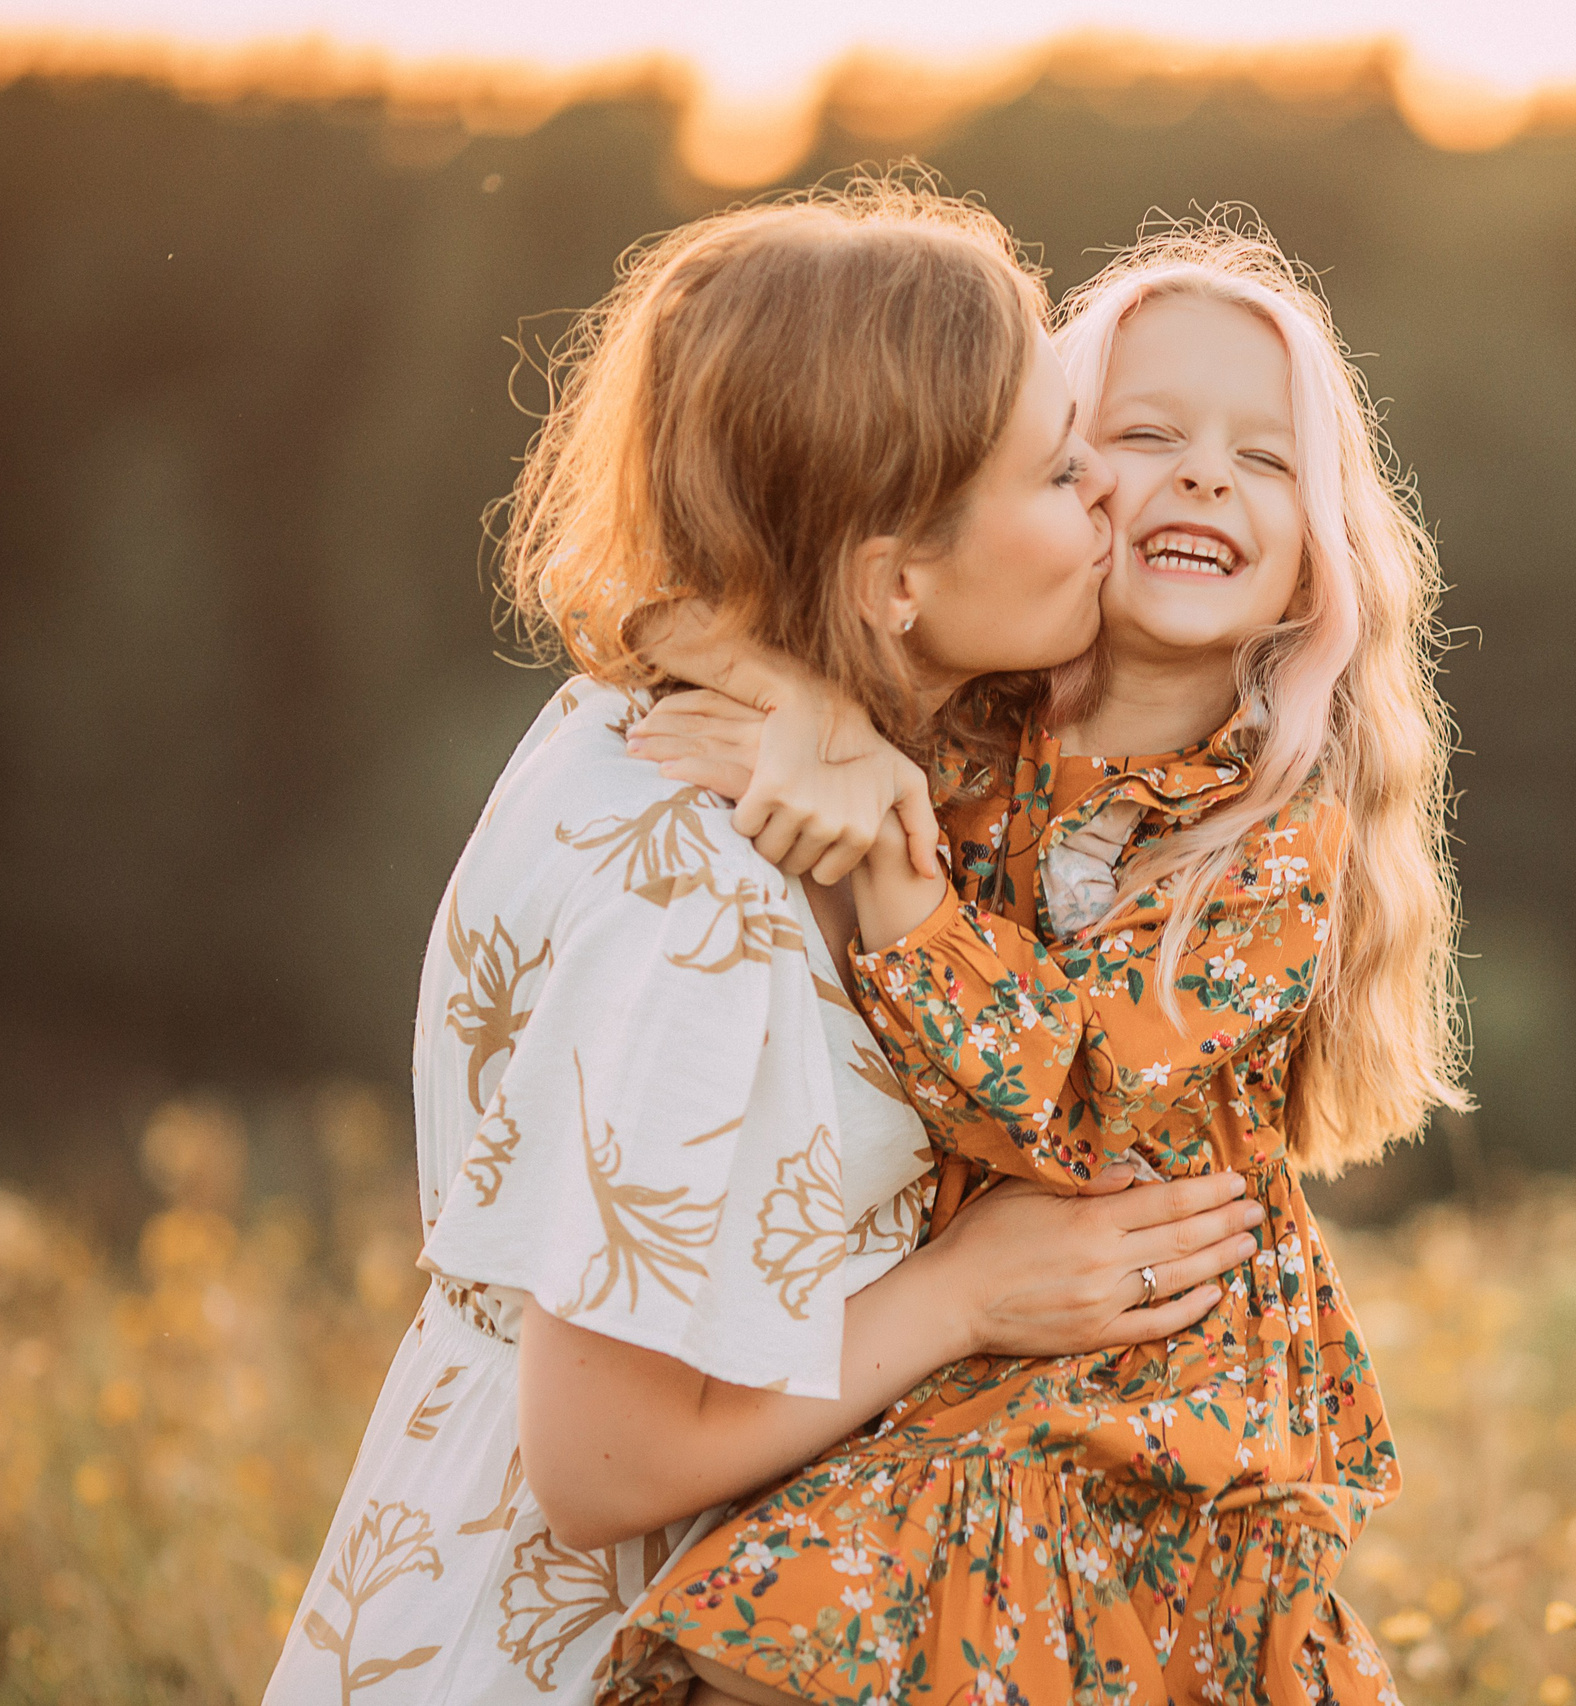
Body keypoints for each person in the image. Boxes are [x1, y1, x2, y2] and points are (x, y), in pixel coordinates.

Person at [261, 180, 1265, 1706]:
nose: (1115, 502)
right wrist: (969, 1295)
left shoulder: (666, 716)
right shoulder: (701, 919)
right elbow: (600, 1461)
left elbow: (680, 606)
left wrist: (841, 735)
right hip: (583, 1634)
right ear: (893, 577)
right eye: (1063, 471)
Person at [604, 216, 1465, 1706]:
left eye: (1266, 460)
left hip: (1142, 1401)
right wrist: (807, 718)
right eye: (1145, 434)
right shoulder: (968, 727)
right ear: (1052, 484)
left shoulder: (1273, 839)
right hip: (957, 1355)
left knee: (782, 1624)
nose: (1206, 474)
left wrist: (893, 874)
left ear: (1317, 564)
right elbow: (701, 610)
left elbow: (1073, 1103)